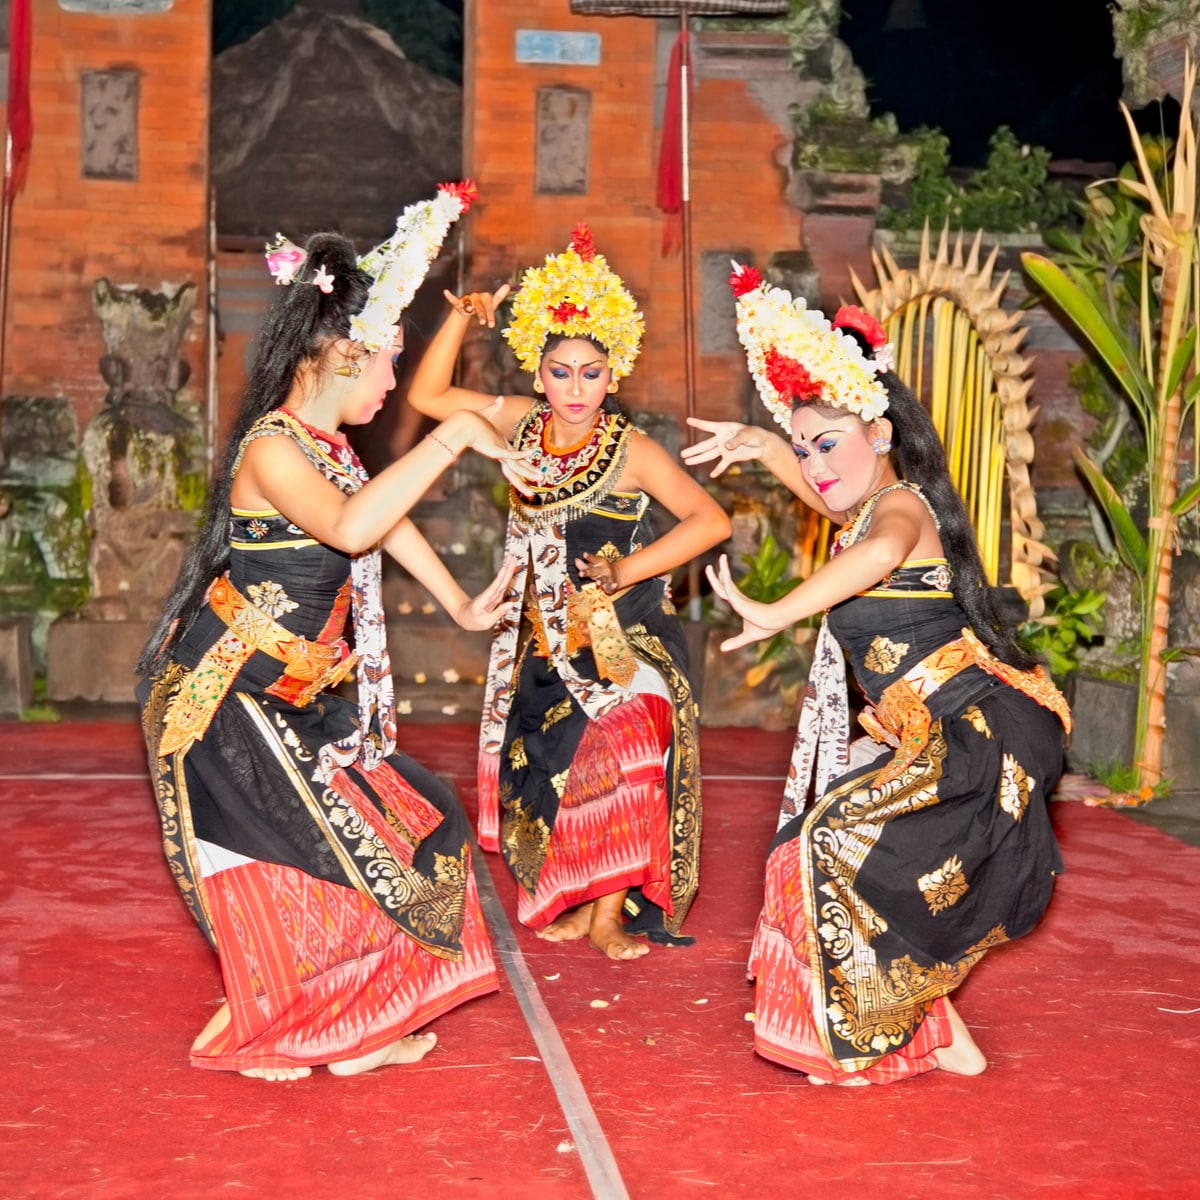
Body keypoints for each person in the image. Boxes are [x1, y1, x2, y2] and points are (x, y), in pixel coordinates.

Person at [137, 184, 539, 1081]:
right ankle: (286, 1030)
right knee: (318, 856)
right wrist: (458, 434)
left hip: (298, 693)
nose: (396, 384)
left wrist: (464, 602)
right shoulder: (273, 447)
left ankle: (340, 1024)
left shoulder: (330, 447)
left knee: (413, 822)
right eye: (389, 363)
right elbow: (353, 528)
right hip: (227, 699)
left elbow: (379, 521)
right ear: (341, 354)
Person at [683, 264, 1071, 1084]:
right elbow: (834, 505)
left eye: (828, 444)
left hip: (971, 742)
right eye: (803, 448)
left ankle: (901, 1038)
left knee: (832, 848)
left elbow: (877, 553)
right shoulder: (864, 498)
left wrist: (778, 610)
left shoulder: (901, 512)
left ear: (882, 433)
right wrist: (763, 445)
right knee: (808, 850)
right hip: (931, 737)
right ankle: (940, 1032)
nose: (815, 466)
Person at [407, 224, 730, 960]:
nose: (576, 389)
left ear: (613, 375)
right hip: (542, 641)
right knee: (560, 769)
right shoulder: (517, 425)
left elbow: (710, 521)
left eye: (591, 372)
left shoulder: (634, 451)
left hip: (628, 634)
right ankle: (586, 903)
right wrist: (464, 313)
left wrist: (629, 571)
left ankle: (612, 912)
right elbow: (428, 395)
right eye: (561, 372)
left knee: (631, 733)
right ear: (539, 373)